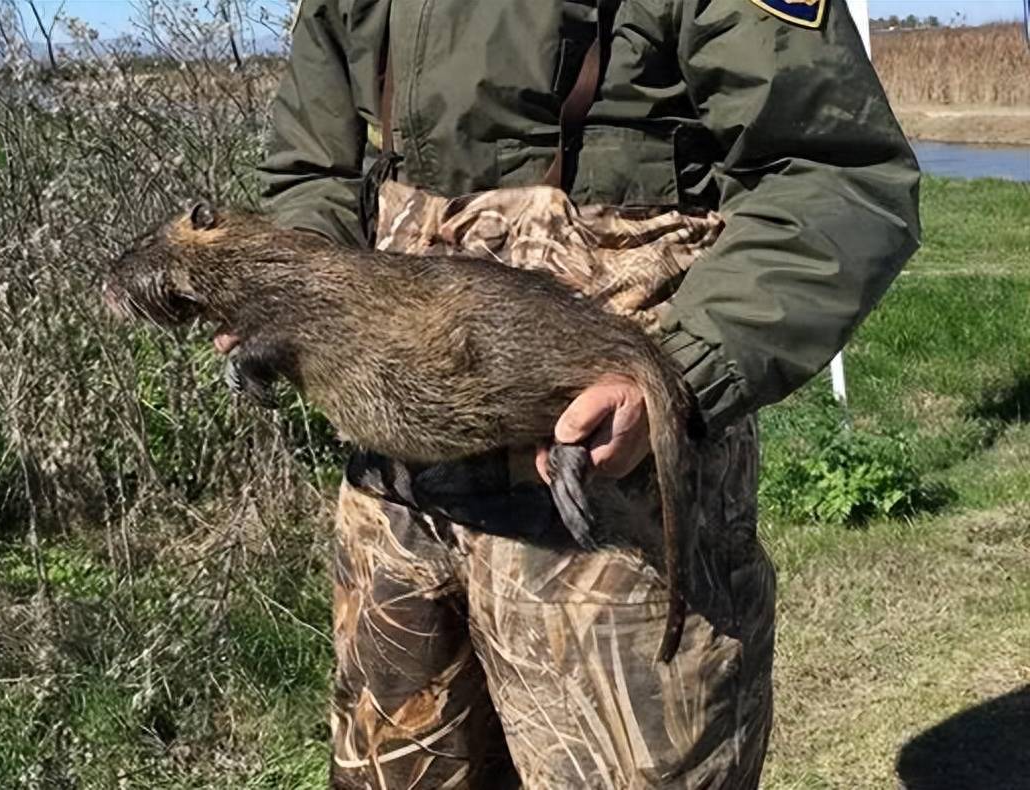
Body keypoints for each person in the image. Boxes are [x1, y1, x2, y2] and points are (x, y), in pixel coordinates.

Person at [256, 0, 921, 786]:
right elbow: (309, 173)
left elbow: (835, 175)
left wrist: (680, 374)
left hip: (608, 493)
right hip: (397, 492)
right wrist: (286, 298)